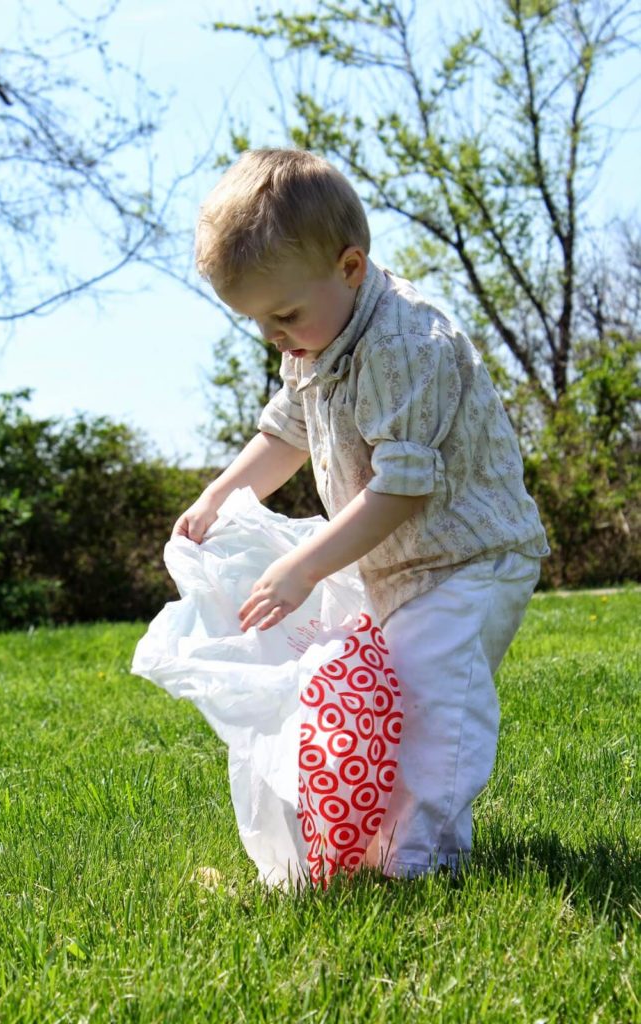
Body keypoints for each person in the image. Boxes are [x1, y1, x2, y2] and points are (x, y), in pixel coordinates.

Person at [172, 148, 549, 879]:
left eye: (283, 315)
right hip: (402, 561)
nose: (275, 338)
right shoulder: (320, 336)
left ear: (349, 268)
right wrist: (220, 495)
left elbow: (402, 489)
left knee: (436, 698)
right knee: (389, 697)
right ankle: (381, 844)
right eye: (259, 323)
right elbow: (285, 429)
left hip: (471, 556)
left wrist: (303, 565)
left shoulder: (408, 343)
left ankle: (426, 859)